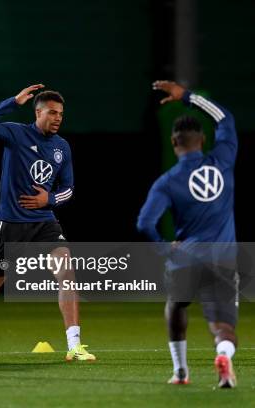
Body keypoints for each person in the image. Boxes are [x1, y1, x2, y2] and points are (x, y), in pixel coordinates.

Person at [0, 84, 96, 362]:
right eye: (52, 113)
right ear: (37, 112)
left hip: (44, 222)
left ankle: (74, 345)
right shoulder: (16, 133)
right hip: (10, 222)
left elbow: (69, 188)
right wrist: (12, 102)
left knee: (67, 273)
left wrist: (47, 200)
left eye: (61, 114)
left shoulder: (62, 147)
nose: (57, 118)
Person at [137, 80, 238, 388]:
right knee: (222, 325)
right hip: (224, 258)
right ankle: (224, 356)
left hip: (185, 259)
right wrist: (187, 97)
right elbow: (226, 118)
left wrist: (166, 249)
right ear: (203, 140)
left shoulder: (167, 181)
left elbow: (144, 223)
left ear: (174, 143)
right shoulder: (222, 160)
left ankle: (181, 372)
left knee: (176, 305)